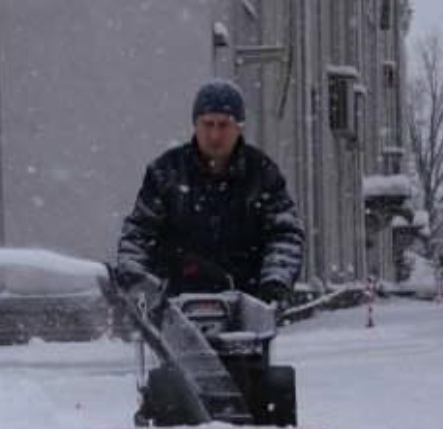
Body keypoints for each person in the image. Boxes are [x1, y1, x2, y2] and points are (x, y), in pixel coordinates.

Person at [115, 79, 304, 305]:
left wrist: (275, 284)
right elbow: (140, 233)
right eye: (208, 124)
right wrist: (135, 278)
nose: (215, 135)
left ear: (239, 127)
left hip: (247, 303)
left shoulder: (262, 174)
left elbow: (284, 234)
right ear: (195, 124)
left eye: (223, 125)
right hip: (174, 306)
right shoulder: (165, 173)